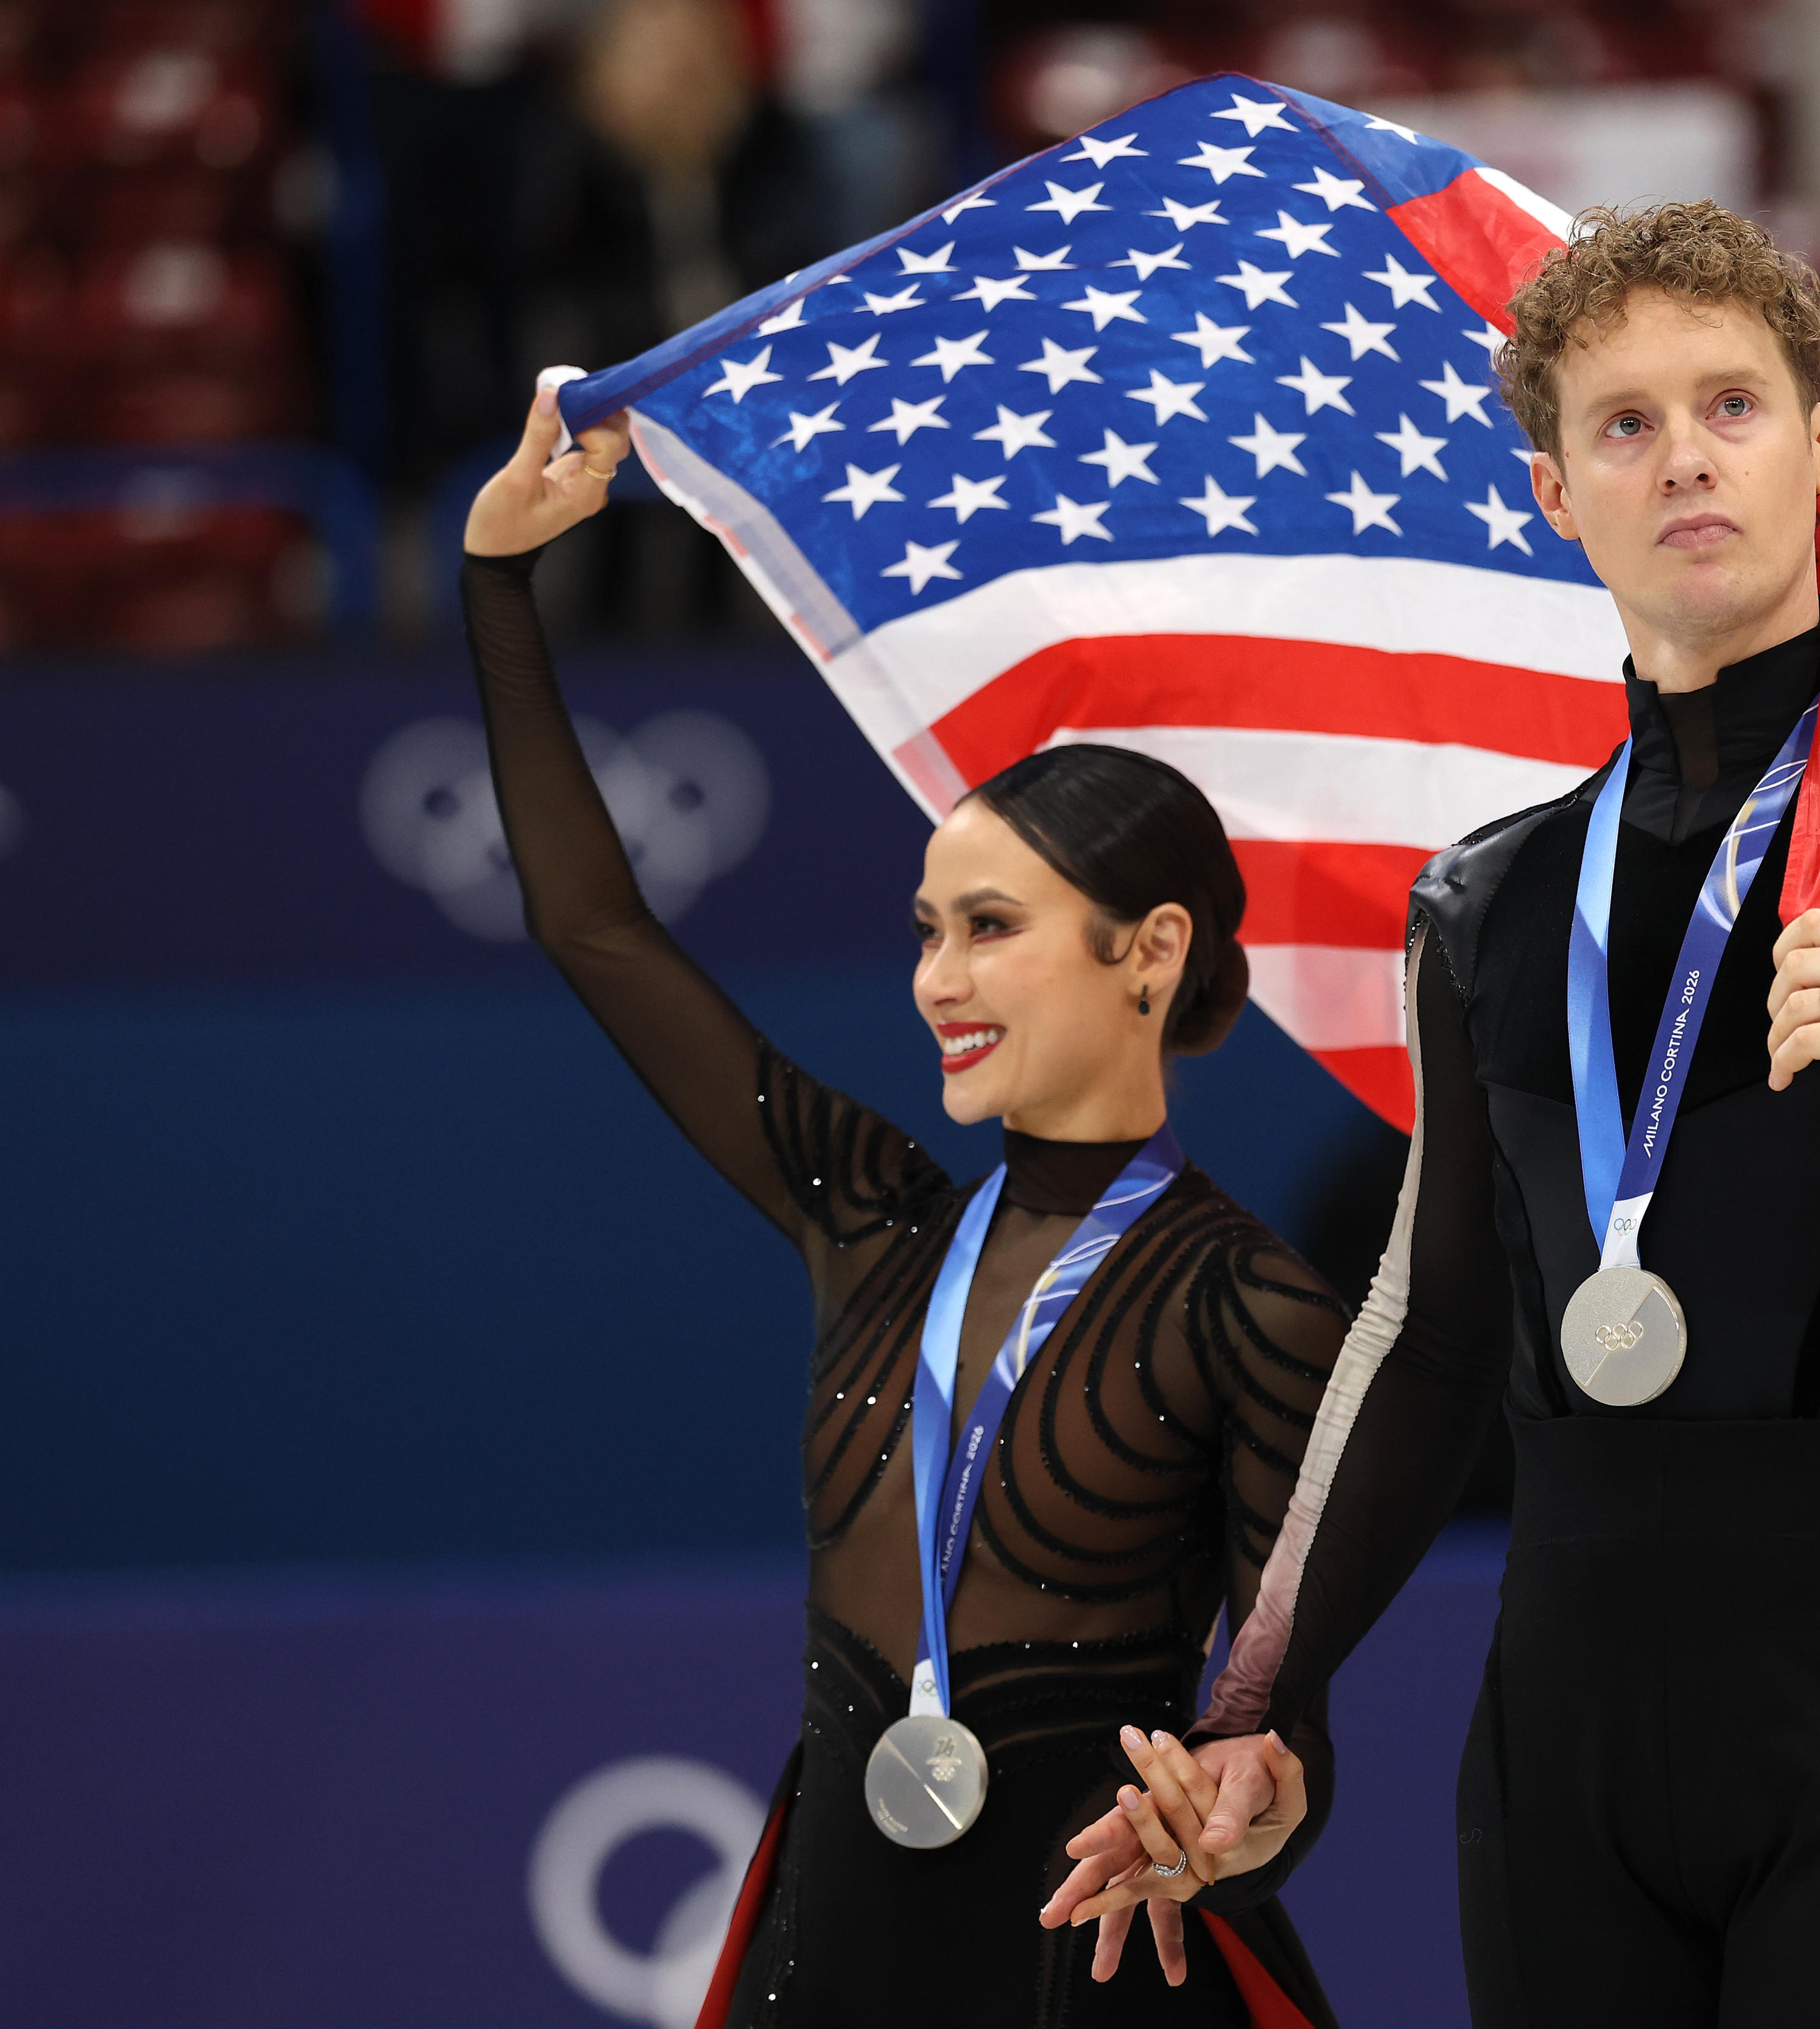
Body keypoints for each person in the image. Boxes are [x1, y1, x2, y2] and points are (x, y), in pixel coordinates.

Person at [1045, 200, 1820, 2025]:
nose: (1683, 458)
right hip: (1564, 1730)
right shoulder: (1483, 904)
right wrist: (1257, 1698)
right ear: (1551, 492)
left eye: (1730, 406)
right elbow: (1427, 1324)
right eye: (1623, 424)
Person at [458, 387, 1344, 2027]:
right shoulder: (871, 1217)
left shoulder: (1256, 1304)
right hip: (833, 1963)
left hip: (1099, 1976)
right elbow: (597, 927)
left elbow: (1279, 1726)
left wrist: (1250, 1823)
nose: (937, 978)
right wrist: (499, 585)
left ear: (1146, 950)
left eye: (991, 926)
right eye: (927, 928)